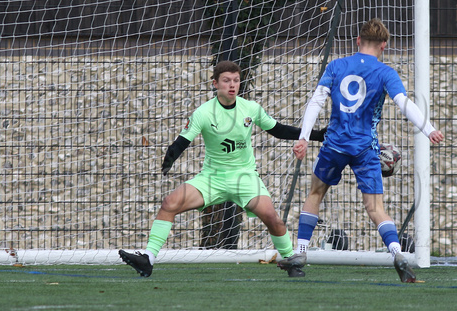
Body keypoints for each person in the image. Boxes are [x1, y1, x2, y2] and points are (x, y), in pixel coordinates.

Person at [119, 60, 326, 277]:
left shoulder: (251, 109)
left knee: (273, 218)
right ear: (215, 83)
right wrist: (172, 155)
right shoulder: (204, 112)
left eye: (236, 80)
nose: (232, 85)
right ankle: (148, 259)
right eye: (226, 80)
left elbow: (279, 130)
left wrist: (317, 135)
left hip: (245, 178)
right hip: (212, 178)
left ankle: (292, 262)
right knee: (170, 203)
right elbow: (183, 140)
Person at [278, 19, 444, 282]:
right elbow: (404, 103)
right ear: (384, 45)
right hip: (366, 148)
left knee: (315, 193)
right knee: (375, 207)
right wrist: (429, 129)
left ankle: (300, 252)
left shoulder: (336, 65)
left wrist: (304, 138)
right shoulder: (385, 72)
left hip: (334, 144)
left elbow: (316, 101)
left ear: (358, 41)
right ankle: (397, 254)